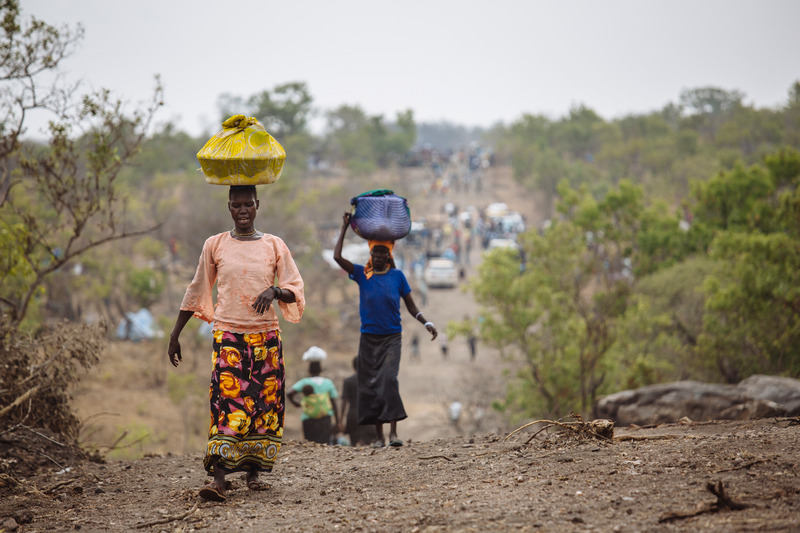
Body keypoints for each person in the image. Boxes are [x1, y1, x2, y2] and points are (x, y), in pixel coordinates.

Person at [167, 184, 305, 502]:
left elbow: (294, 288)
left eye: (248, 204)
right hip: (228, 334)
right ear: (228, 207)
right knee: (227, 401)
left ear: (258, 205)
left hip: (266, 336)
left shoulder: (274, 245)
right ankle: (218, 480)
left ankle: (253, 473)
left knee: (262, 405)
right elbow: (197, 289)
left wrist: (274, 291)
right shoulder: (215, 245)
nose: (242, 210)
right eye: (236, 205)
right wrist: (175, 335)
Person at [333, 212, 437, 448]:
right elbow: (337, 256)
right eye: (375, 253)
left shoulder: (398, 277)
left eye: (383, 253)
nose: (379, 257)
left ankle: (393, 434)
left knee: (388, 380)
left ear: (388, 256)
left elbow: (411, 306)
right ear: (371, 255)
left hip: (391, 337)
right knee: (369, 384)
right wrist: (344, 227)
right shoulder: (363, 274)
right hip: (368, 338)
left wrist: (426, 322)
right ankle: (379, 437)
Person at [288, 358, 340, 444]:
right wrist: (338, 421)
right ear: (320, 370)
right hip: (325, 420)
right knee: (324, 444)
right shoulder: (328, 383)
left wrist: (296, 404)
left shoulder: (304, 382)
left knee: (310, 444)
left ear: (309, 370)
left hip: (308, 419)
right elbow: (334, 402)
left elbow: (289, 393)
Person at [338, 356, 375, 446]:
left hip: (353, 415)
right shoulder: (371, 380)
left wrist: (341, 420)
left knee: (354, 443)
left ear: (353, 366)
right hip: (368, 414)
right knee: (368, 443)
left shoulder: (348, 381)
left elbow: (344, 401)